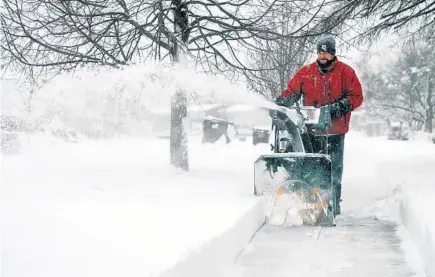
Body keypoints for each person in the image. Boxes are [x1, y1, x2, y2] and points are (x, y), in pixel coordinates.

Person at [274, 35, 363, 215]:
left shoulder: (346, 73)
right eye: (320, 52)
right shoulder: (306, 72)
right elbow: (292, 91)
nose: (323, 56)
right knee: (309, 167)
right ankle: (309, 202)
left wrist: (336, 109)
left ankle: (333, 205)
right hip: (311, 131)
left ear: (333, 53)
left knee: (333, 170)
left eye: (327, 53)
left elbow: (356, 97)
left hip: (335, 131)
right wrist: (281, 104)